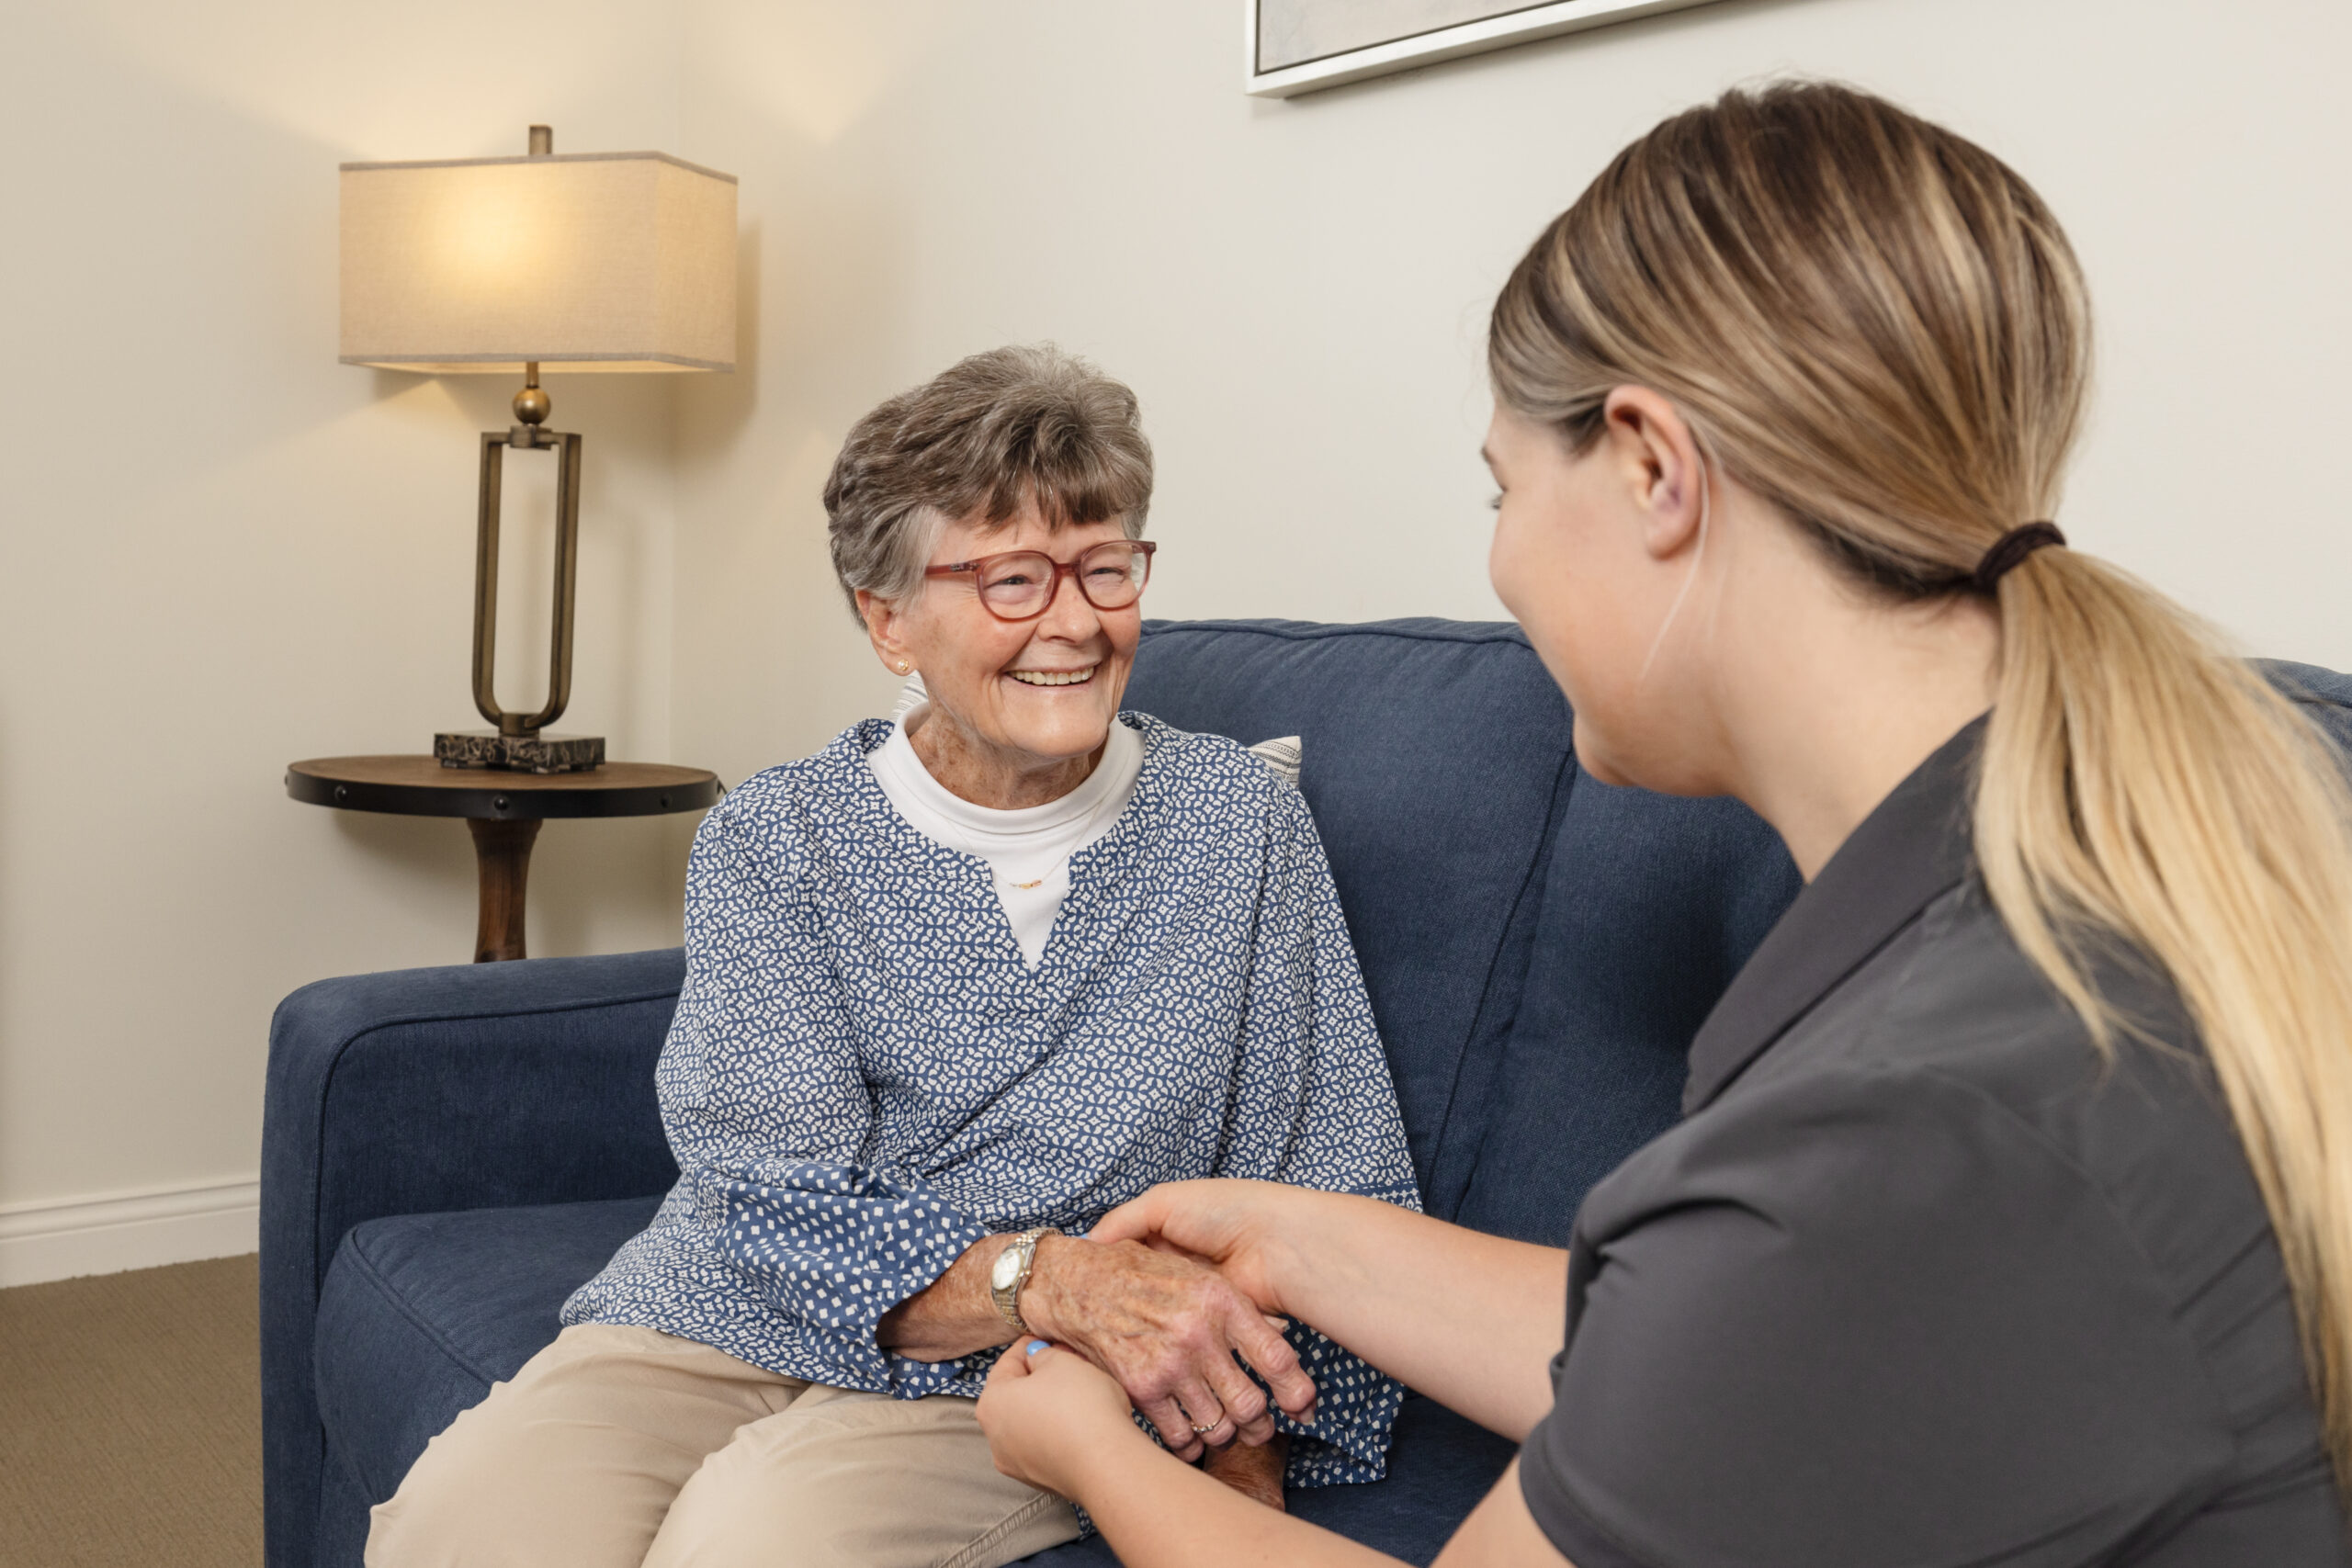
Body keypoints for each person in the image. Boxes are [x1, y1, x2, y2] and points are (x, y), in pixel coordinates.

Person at [976, 84, 2352, 1566]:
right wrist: (1299, 1240)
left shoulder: (1897, 1133)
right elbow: (1749, 1354)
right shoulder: (2073, 906)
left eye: (1503, 488)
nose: (1500, 560)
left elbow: (1789, 1289)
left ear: (1651, 466)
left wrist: (1084, 1448)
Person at [366, 345, 1420, 1568]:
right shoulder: (780, 836)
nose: (1074, 620)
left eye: (1104, 565)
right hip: (734, 1308)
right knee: (460, 1535)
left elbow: (1330, 1177)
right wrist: (1055, 1272)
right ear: (889, 620)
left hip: (1041, 1369)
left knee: (745, 1550)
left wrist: (1241, 1437)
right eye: (1012, 578)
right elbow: (771, 1195)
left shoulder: (1237, 825)